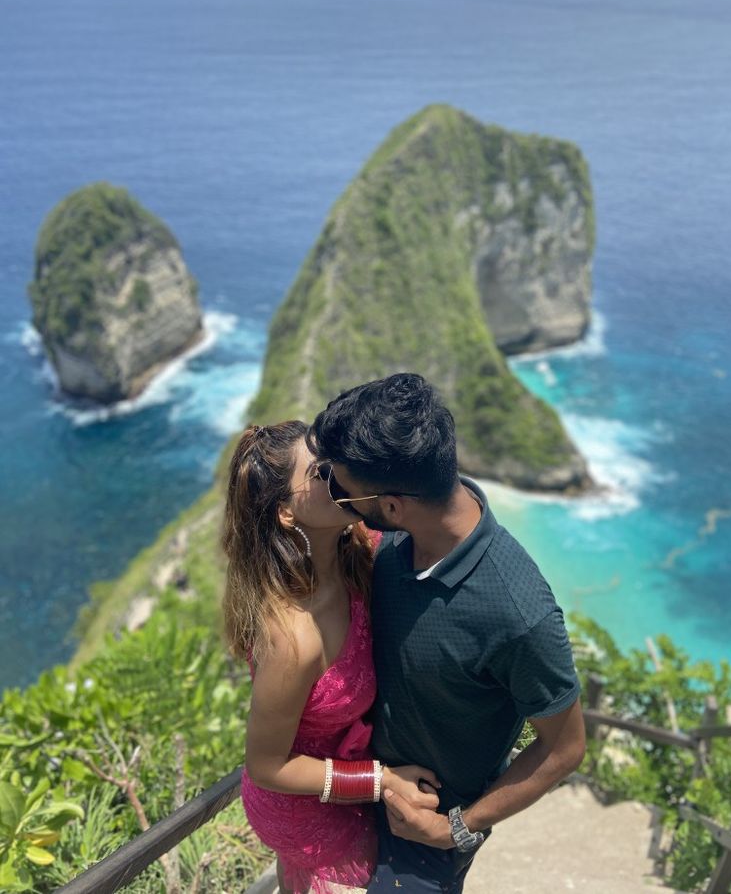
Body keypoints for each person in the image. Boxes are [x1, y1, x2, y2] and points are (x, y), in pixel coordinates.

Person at [307, 374, 587, 893]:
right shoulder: (392, 537)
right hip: (358, 784)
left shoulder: (517, 612)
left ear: (391, 505)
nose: (333, 495)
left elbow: (564, 748)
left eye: (341, 491)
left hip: (424, 832)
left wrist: (454, 829)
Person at [221, 420, 441, 894]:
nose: (339, 472)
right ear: (286, 513)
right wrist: (380, 781)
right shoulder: (292, 639)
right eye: (321, 471)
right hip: (300, 806)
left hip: (345, 776)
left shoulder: (358, 546)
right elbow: (266, 766)